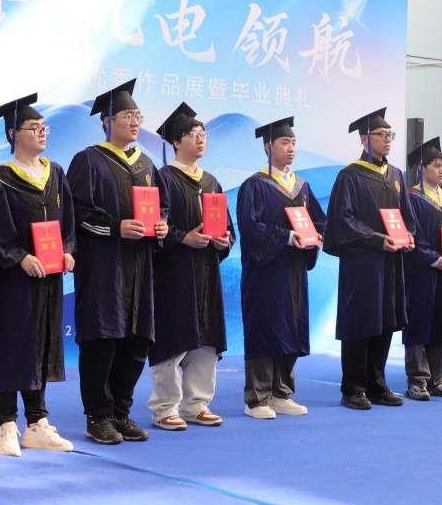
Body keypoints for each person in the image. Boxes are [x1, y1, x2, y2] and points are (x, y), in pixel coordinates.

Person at [67, 79, 169, 444]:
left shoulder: (147, 164)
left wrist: (162, 226)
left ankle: (121, 412)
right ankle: (98, 415)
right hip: (103, 267)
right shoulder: (88, 160)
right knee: (103, 339)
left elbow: (162, 207)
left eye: (138, 115)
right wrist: (115, 227)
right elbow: (76, 213)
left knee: (136, 340)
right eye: (127, 115)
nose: (135, 121)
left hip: (139, 267)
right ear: (107, 121)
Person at [0, 93, 75, 456]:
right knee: (9, 346)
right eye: (33, 127)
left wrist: (68, 251)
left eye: (43, 127)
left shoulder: (55, 173)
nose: (41, 132)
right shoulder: (0, 181)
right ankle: (6, 425)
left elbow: (68, 224)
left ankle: (37, 423)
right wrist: (20, 257)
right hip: (11, 282)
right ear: (13, 134)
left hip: (48, 278)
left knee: (41, 344)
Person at [147, 103, 233, 431]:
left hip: (206, 270)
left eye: (203, 134)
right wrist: (183, 238)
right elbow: (156, 226)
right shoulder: (163, 178)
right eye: (192, 134)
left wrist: (224, 240)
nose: (200, 139)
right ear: (175, 142)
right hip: (174, 272)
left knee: (206, 338)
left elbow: (227, 227)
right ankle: (165, 407)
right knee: (174, 337)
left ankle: (197, 404)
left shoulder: (211, 181)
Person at [236, 116, 327, 419]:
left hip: (294, 269)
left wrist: (315, 237)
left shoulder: (301, 186)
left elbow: (319, 220)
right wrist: (286, 237)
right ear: (268, 147)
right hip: (266, 271)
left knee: (290, 326)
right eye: (285, 142)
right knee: (265, 327)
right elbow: (250, 227)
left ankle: (281, 393)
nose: (291, 148)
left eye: (294, 143)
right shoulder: (254, 185)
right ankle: (257, 398)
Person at [324, 107, 413, 411]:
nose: (388, 139)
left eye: (390, 134)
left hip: (390, 262)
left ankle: (377, 384)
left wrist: (409, 235)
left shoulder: (396, 175)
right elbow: (343, 220)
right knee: (361, 321)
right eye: (381, 134)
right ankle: (353, 387)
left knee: (385, 321)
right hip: (362, 263)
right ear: (364, 139)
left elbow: (406, 215)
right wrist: (376, 239)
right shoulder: (350, 175)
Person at [402, 138, 442, 401]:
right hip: (422, 273)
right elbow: (410, 237)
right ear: (422, 168)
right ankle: (417, 380)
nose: (441, 171)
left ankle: (436, 377)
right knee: (420, 323)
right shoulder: (412, 198)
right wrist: (431, 257)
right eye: (436, 165)